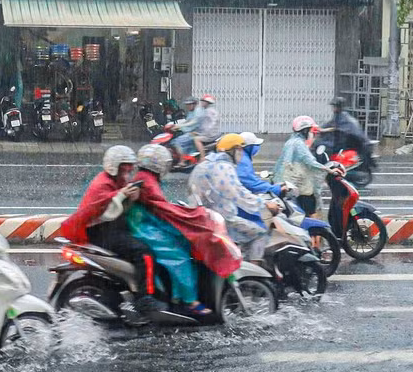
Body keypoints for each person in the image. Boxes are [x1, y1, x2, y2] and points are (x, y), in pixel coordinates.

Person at [59, 145, 167, 314]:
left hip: (112, 229)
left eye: (130, 168)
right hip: (103, 233)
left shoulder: (116, 182)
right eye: (125, 168)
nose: (128, 172)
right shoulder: (102, 184)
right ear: (114, 166)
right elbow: (104, 210)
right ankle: (144, 298)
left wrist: (131, 196)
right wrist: (122, 194)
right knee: (144, 254)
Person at [126, 146, 210, 318]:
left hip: (146, 223)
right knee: (180, 256)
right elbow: (162, 208)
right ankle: (190, 301)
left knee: (183, 244)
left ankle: (176, 296)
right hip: (144, 228)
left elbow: (160, 206)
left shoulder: (145, 177)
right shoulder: (148, 181)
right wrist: (190, 216)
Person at [189, 134, 276, 259]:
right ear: (234, 150)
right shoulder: (223, 167)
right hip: (221, 220)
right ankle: (254, 268)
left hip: (201, 217)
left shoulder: (205, 164)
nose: (241, 153)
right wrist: (264, 204)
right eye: (240, 150)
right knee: (260, 234)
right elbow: (238, 194)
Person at [274, 116, 332, 219]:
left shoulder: (290, 142)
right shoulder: (299, 144)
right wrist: (328, 170)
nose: (312, 134)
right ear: (305, 131)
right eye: (310, 131)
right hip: (301, 186)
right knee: (312, 210)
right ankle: (316, 228)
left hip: (288, 185)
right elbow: (310, 162)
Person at [322, 97, 370, 161]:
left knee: (328, 147)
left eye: (335, 106)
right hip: (345, 141)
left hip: (351, 143)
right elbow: (329, 124)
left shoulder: (344, 117)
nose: (333, 108)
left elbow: (341, 128)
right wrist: (320, 129)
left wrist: (333, 129)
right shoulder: (337, 116)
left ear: (339, 107)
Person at [236, 132, 282, 198]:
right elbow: (252, 184)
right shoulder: (243, 160)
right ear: (249, 147)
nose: (257, 147)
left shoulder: (242, 156)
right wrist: (276, 189)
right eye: (255, 145)